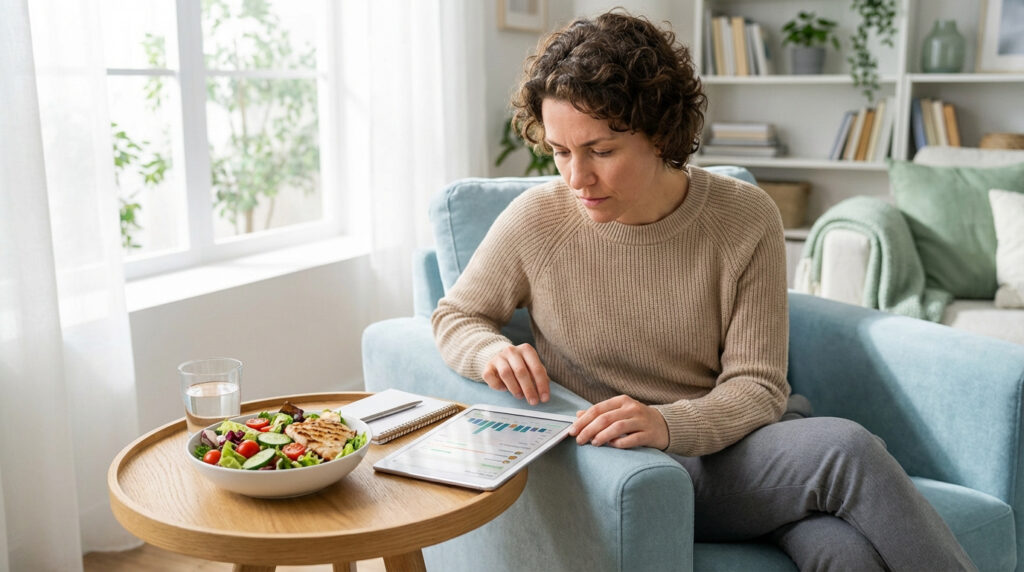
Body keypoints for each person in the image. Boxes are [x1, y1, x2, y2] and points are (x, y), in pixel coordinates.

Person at [431, 10, 975, 571]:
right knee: (847, 450)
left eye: (601, 150)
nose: (576, 178)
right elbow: (457, 317)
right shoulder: (536, 221)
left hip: (737, 450)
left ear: (661, 133)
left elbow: (758, 385)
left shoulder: (743, 217)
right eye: (561, 151)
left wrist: (669, 422)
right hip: (633, 471)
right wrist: (491, 351)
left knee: (844, 552)